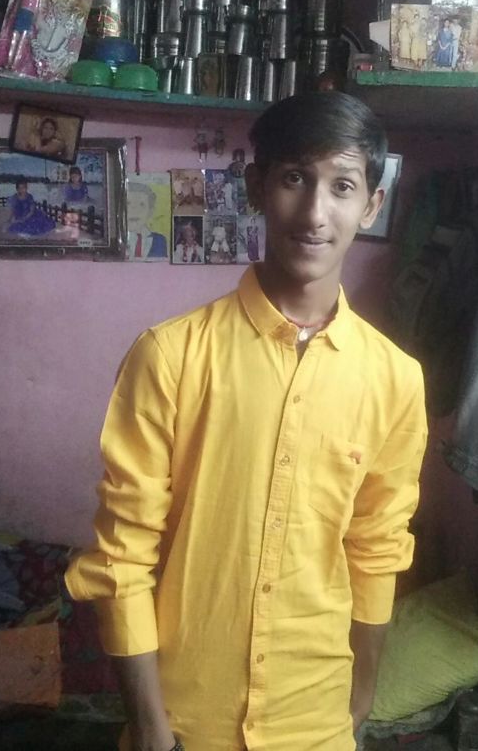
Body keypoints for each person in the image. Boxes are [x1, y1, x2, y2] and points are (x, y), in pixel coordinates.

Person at [65, 91, 427, 751]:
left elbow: (377, 547)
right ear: (258, 187)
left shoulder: (395, 379)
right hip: (184, 717)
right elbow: (123, 553)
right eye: (294, 178)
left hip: (316, 716)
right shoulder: (170, 355)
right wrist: (150, 725)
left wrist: (360, 698)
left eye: (342, 186)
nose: (315, 213)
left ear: (372, 205)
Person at [127, 181, 168, 261]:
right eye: (128, 203)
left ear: (150, 211)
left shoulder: (159, 240)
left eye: (141, 205)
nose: (134, 210)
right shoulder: (118, 240)